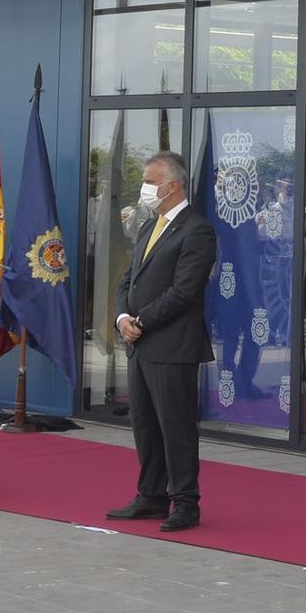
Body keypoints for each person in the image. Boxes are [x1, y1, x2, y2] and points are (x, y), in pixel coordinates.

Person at [107, 151, 218, 532]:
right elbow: (129, 280)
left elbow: (185, 290)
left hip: (172, 345)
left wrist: (142, 320)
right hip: (140, 343)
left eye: (150, 181)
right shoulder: (148, 227)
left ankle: (185, 501)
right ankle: (151, 495)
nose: (145, 188)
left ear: (171, 186)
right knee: (145, 424)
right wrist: (123, 317)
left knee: (176, 427)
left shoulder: (196, 229)